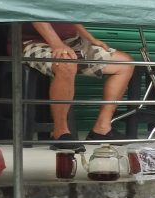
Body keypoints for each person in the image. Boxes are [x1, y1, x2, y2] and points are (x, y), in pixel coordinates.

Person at [19, 22, 134, 150]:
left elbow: (70, 14)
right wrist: (57, 44)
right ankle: (60, 133)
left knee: (124, 63)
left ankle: (102, 129)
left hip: (71, 41)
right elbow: (35, 14)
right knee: (66, 63)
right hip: (31, 42)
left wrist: (90, 38)